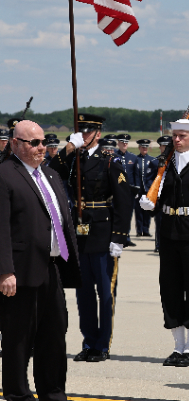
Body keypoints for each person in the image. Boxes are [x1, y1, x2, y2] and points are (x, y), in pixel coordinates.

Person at [0, 120, 81, 401]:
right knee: (18, 340)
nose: (40, 147)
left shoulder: (49, 175)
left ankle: (53, 393)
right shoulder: (5, 175)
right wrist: (4, 271)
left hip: (52, 268)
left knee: (54, 336)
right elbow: (1, 228)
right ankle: (17, 394)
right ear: (14, 144)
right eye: (33, 143)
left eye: (43, 142)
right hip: (19, 273)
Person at [49, 113, 132, 363]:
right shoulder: (73, 158)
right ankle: (88, 341)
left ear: (97, 133)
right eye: (80, 132)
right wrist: (69, 147)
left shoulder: (110, 162)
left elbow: (123, 201)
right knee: (82, 293)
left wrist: (119, 236)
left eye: (87, 132)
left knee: (105, 294)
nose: (84, 135)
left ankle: (102, 344)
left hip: (102, 233)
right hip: (79, 233)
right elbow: (51, 171)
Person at [138, 118, 189, 367]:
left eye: (182, 136)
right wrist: (149, 207)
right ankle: (177, 346)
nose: (177, 140)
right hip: (169, 232)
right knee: (170, 288)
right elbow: (157, 196)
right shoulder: (163, 164)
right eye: (175, 136)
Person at [115, 134, 138, 247]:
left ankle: (126, 237)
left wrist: (137, 189)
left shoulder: (133, 158)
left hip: (129, 192)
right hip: (116, 191)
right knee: (116, 214)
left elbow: (136, 175)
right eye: (122, 142)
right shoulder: (113, 156)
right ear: (118, 143)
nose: (124, 144)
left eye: (126, 142)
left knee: (128, 215)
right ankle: (116, 237)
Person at [134, 139, 157, 238]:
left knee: (147, 210)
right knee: (138, 211)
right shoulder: (135, 159)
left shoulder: (152, 160)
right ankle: (139, 230)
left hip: (148, 190)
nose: (144, 149)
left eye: (146, 147)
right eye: (142, 147)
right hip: (138, 190)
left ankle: (146, 230)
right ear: (139, 148)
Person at [153, 135, 172, 253]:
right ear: (160, 147)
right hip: (159, 199)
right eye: (163, 146)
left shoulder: (175, 162)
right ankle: (159, 245)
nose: (165, 148)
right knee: (159, 223)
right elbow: (149, 181)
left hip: (171, 199)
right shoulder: (155, 162)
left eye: (167, 146)